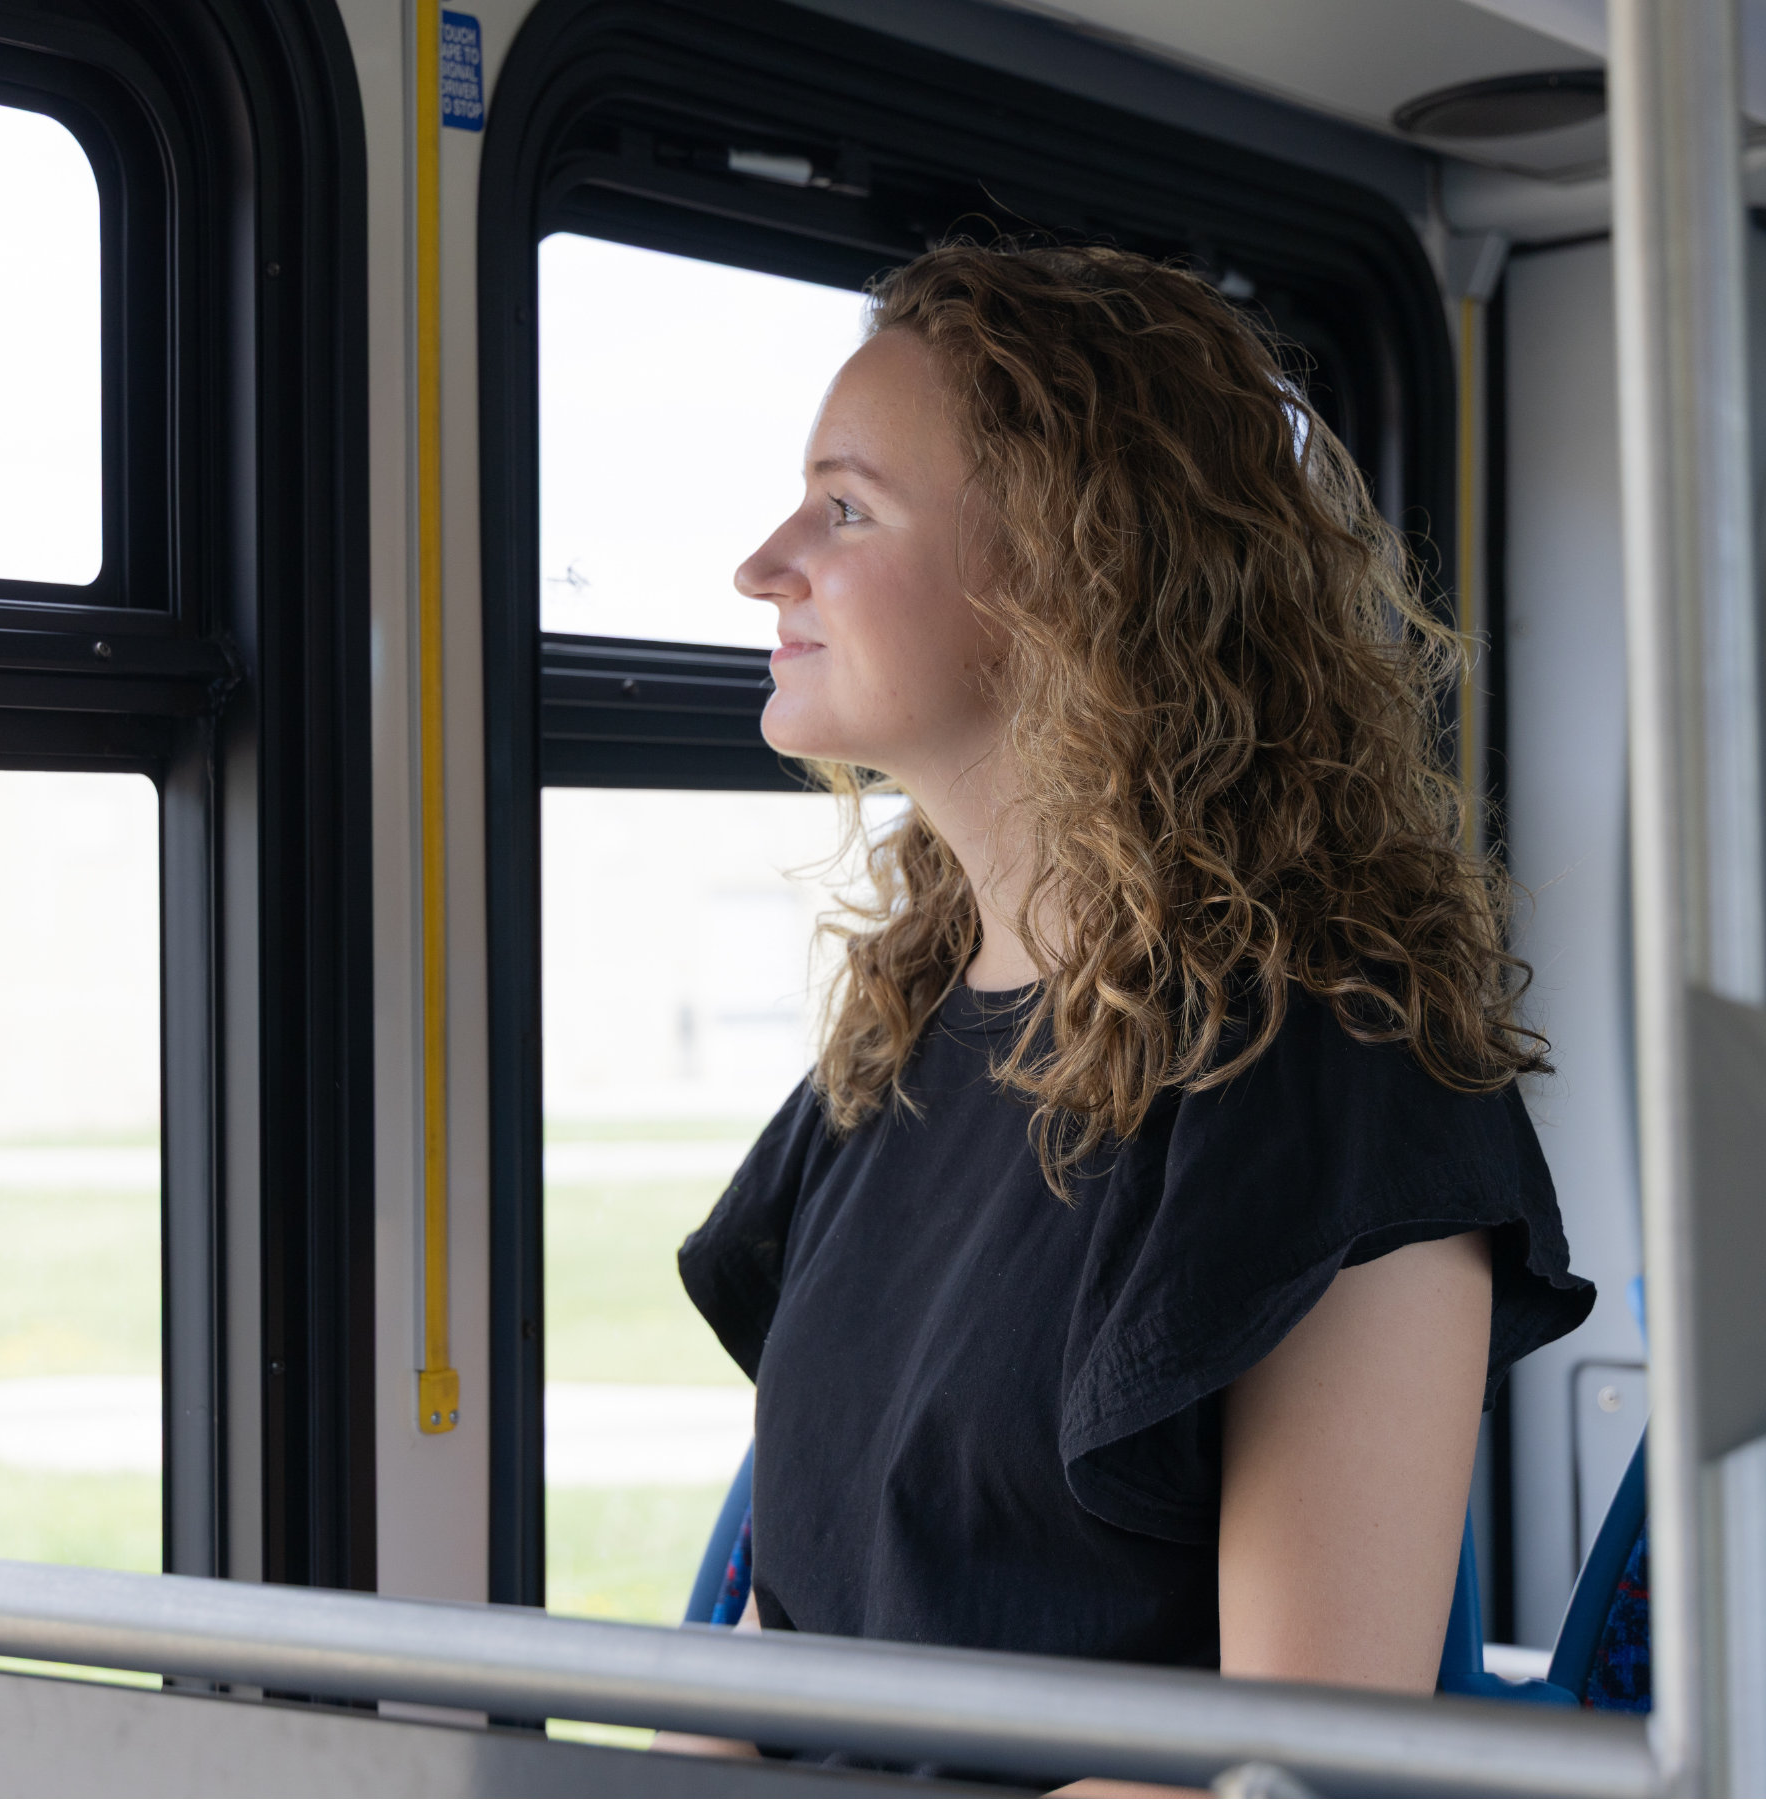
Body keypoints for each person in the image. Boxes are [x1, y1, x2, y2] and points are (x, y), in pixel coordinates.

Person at [662, 242, 1592, 1777]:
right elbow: (791, 1644)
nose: (765, 566)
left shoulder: (1341, 1090)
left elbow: (1293, 1771)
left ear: (1068, 574)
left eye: (844, 508)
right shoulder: (893, 1044)